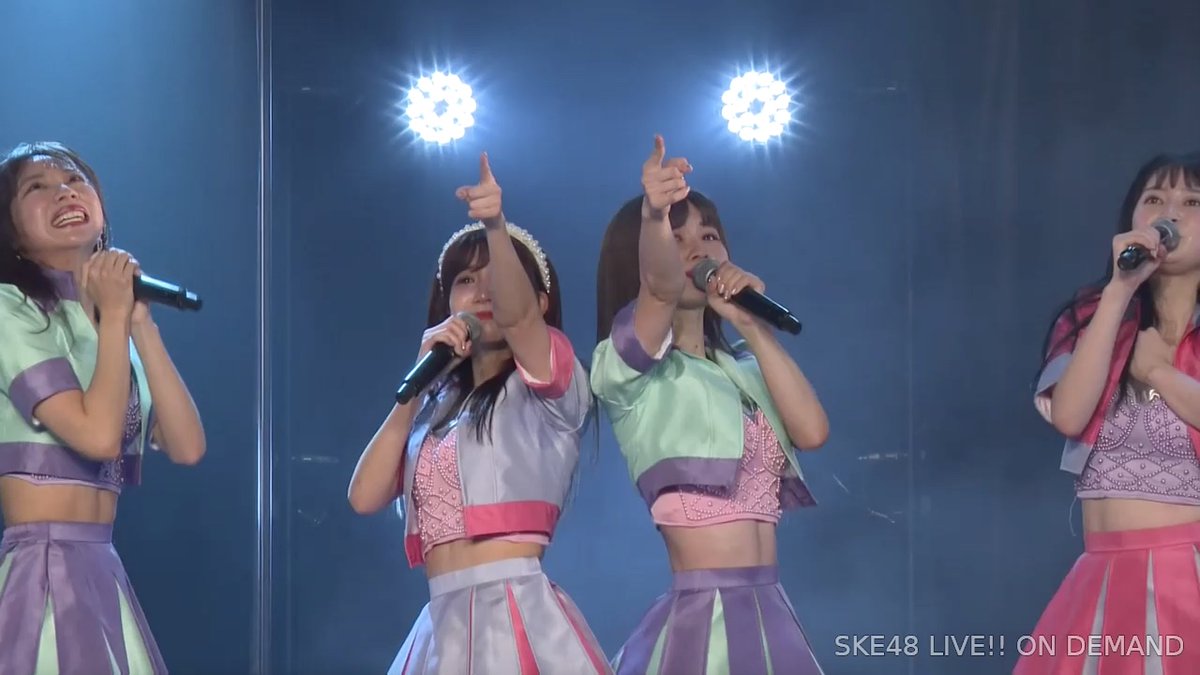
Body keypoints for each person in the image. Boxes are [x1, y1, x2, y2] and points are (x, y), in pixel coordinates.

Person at [348, 153, 610, 674]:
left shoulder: (551, 383)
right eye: (466, 279)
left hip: (514, 613)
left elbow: (518, 317)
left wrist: (494, 224)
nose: (484, 291)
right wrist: (414, 389)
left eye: (498, 276)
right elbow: (363, 497)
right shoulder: (434, 405)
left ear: (539, 300)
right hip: (439, 624)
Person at [591, 135, 830, 674]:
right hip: (704, 616)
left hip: (772, 609)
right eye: (676, 238)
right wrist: (654, 213)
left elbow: (813, 432)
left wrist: (752, 324)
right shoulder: (626, 370)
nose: (697, 249)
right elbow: (659, 288)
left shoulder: (744, 365)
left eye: (708, 235)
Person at [0, 141, 206, 673]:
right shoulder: (9, 309)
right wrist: (114, 319)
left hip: (101, 564)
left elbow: (187, 447)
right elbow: (96, 437)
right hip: (43, 569)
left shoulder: (110, 321)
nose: (64, 191)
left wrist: (140, 323)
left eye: (74, 179)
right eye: (37, 187)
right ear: (11, 231)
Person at [1019, 152, 1200, 674]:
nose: (1171, 212)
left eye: (1192, 202)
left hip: (1187, 572)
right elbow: (1069, 416)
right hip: (1099, 571)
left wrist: (1159, 372)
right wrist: (1120, 290)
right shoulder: (1093, 315)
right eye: (1155, 199)